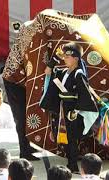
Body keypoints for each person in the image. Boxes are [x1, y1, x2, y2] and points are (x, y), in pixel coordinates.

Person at [40, 42, 98, 172]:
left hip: (73, 109)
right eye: (64, 56)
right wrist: (55, 58)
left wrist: (76, 110)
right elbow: (48, 71)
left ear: (76, 58)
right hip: (62, 108)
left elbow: (84, 93)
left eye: (68, 56)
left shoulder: (78, 74)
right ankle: (70, 163)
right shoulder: (63, 72)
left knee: (72, 137)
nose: (65, 58)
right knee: (64, 136)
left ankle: (73, 165)